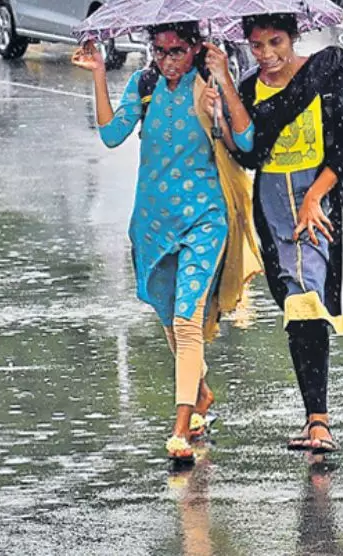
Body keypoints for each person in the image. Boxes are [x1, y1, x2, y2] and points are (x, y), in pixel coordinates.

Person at [73, 23, 262, 464]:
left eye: (177, 51)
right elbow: (110, 134)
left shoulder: (210, 84)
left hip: (204, 219)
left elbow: (248, 142)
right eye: (159, 51)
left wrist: (224, 96)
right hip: (153, 223)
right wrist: (100, 71)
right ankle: (201, 392)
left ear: (196, 48)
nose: (167, 60)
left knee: (186, 319)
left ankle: (181, 425)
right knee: (167, 314)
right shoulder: (144, 84)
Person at [227, 13, 343, 455]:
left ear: (294, 37)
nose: (267, 55)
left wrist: (315, 197)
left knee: (306, 300)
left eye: (276, 42)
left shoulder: (328, 74)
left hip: (320, 202)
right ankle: (315, 418)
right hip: (272, 208)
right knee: (295, 304)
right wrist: (221, 101)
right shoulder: (247, 88)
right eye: (257, 46)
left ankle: (319, 421)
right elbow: (249, 154)